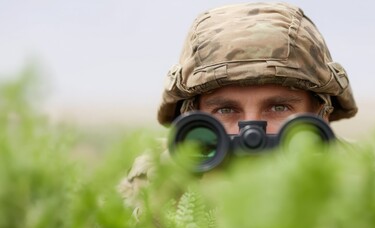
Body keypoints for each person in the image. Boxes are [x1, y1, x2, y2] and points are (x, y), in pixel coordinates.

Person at [118, 1, 358, 215]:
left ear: (322, 115)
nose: (251, 135)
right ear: (192, 118)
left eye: (278, 107)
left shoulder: (363, 181)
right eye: (225, 110)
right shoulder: (155, 182)